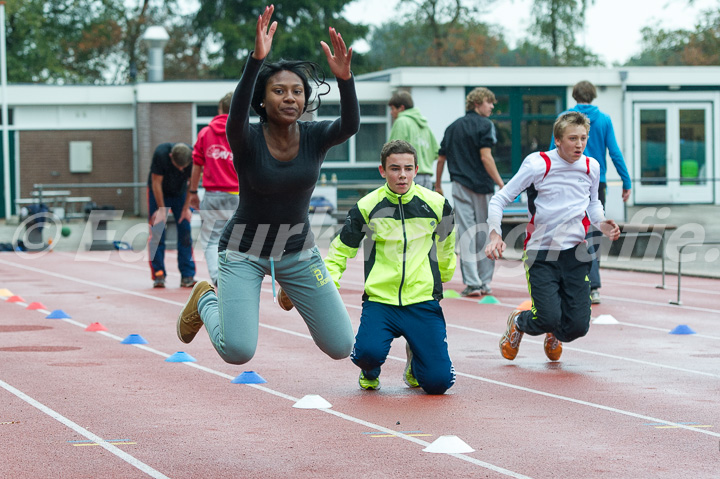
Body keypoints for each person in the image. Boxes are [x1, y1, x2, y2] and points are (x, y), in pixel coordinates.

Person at [176, 5, 357, 366]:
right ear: (264, 99)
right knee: (238, 351)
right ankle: (205, 300)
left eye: (296, 92)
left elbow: (350, 125)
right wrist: (256, 60)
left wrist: (345, 79)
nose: (289, 97)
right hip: (244, 250)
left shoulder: (314, 136)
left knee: (341, 346)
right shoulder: (246, 138)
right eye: (279, 91)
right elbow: (238, 110)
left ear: (305, 100)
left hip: (298, 251)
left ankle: (291, 286)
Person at [485, 111, 620, 362]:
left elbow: (593, 203)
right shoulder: (538, 164)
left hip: (576, 253)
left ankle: (554, 333)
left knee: (578, 327)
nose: (579, 144)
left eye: (583, 138)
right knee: (547, 317)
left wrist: (601, 223)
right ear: (558, 140)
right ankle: (519, 321)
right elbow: (499, 199)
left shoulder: (592, 166)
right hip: (542, 252)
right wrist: (495, 234)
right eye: (572, 139)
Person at [324, 140, 456, 394]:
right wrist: (330, 282)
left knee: (438, 384)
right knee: (366, 354)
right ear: (382, 171)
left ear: (417, 170)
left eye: (408, 168)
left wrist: (444, 274)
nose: (402, 175)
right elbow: (341, 248)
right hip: (381, 301)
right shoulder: (366, 206)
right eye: (395, 168)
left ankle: (415, 362)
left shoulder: (438, 204)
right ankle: (370, 369)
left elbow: (446, 243)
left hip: (422, 300)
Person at [550, 80, 632, 305]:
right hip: (597, 182)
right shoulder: (604, 120)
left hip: (566, 181)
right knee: (593, 232)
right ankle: (593, 286)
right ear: (593, 95)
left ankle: (564, 283)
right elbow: (614, 152)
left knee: (565, 231)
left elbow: (551, 151)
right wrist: (626, 181)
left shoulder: (565, 119)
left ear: (574, 94)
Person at [435, 87, 504, 297]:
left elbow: (441, 159)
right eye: (489, 102)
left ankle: (472, 283)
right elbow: (486, 157)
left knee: (466, 233)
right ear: (477, 103)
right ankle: (484, 282)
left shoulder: (452, 127)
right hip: (482, 186)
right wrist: (501, 184)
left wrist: (438, 184)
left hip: (460, 185)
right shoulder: (486, 125)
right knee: (486, 232)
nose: (492, 106)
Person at [183, 92, 239, 286]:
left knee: (211, 239)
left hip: (213, 194)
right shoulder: (242, 131)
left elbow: (196, 164)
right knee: (238, 239)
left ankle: (217, 277)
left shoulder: (206, 133)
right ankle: (237, 276)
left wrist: (192, 192)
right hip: (238, 195)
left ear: (219, 109)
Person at [147, 142, 196, 288]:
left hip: (180, 194)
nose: (181, 169)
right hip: (159, 192)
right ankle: (158, 273)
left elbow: (192, 184)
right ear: (170, 157)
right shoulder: (161, 154)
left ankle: (187, 274)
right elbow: (156, 183)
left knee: (185, 231)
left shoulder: (193, 157)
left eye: (183, 167)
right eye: (178, 166)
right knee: (157, 230)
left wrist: (186, 207)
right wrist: (162, 209)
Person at [388, 90, 439, 190]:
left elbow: (392, 151)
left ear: (401, 108)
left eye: (393, 108)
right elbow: (436, 151)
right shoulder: (424, 125)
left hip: (408, 176)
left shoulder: (401, 121)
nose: (391, 112)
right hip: (427, 178)